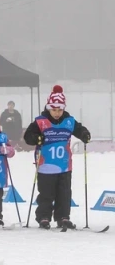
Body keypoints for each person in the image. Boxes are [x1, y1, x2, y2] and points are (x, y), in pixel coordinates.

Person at [23, 85, 91, 229]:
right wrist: (37, 138)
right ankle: (44, 217)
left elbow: (79, 129)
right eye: (54, 109)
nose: (57, 113)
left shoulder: (69, 121)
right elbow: (28, 136)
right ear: (48, 108)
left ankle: (63, 217)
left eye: (60, 109)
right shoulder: (41, 121)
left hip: (64, 165)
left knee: (64, 193)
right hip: (45, 165)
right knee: (47, 193)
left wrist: (84, 134)